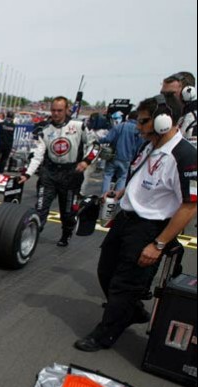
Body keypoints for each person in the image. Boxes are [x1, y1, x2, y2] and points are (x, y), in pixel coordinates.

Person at [74, 94, 197, 352]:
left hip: (150, 228)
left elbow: (190, 205)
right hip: (125, 220)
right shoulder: (148, 145)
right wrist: (120, 194)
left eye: (142, 122)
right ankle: (131, 310)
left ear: (163, 121)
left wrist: (159, 244)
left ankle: (105, 334)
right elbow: (138, 176)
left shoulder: (185, 155)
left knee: (124, 285)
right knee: (105, 272)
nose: (137, 127)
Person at [18, 96, 98, 247]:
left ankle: (66, 233)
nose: (56, 113)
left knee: (67, 212)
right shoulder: (44, 129)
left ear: (67, 110)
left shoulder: (79, 126)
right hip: (49, 172)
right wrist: (27, 174)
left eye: (59, 110)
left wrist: (86, 161)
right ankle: (30, 236)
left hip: (71, 174)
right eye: (53, 110)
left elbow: (95, 145)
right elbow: (37, 154)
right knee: (40, 207)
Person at [98, 110, 142, 193]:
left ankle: (104, 196)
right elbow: (140, 146)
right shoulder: (138, 130)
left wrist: (98, 140)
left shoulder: (119, 126)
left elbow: (108, 139)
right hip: (127, 159)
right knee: (122, 178)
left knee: (107, 175)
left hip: (114, 157)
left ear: (128, 117)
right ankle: (116, 198)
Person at [160, 71, 196, 144]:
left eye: (169, 94)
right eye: (162, 94)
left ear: (187, 93)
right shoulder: (169, 118)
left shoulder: (193, 121)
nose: (164, 98)